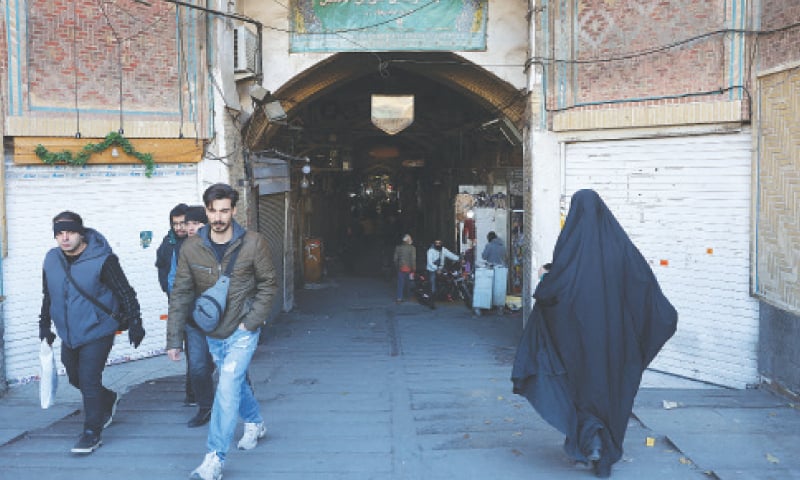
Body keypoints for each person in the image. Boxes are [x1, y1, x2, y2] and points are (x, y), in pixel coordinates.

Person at [511, 189, 678, 478]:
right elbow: (643, 286)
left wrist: (546, 278)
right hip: (614, 341)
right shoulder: (620, 247)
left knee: (579, 388)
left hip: (575, 340)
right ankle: (601, 446)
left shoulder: (570, 249)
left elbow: (552, 292)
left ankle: (586, 444)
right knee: (609, 388)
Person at [167, 183, 277, 480]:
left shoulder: (253, 243)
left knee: (227, 386)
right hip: (211, 330)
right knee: (235, 383)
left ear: (234, 211)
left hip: (242, 329)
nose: (218, 217)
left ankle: (214, 458)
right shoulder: (191, 248)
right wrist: (174, 338)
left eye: (224, 210)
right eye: (213, 211)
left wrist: (251, 321)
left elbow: (268, 284)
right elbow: (180, 293)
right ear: (206, 211)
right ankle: (254, 422)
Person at [38, 211, 145, 454]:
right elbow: (48, 295)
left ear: (81, 233)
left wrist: (136, 322)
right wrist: (45, 326)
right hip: (69, 332)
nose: (65, 238)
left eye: (70, 232)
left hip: (98, 329)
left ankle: (91, 432)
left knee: (88, 378)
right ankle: (107, 399)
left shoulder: (103, 259)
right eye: (59, 233)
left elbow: (125, 292)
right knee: (75, 377)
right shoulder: (51, 259)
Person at [154, 203, 196, 407]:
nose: (179, 227)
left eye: (183, 223)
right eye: (175, 224)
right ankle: (193, 394)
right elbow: (164, 273)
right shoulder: (168, 244)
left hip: (199, 305)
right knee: (193, 352)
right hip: (182, 304)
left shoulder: (195, 241)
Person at [180, 203, 215, 428]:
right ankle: (205, 407)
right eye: (188, 224)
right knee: (198, 367)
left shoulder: (221, 246)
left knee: (232, 367)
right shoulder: (182, 249)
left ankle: (245, 402)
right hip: (193, 319)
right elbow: (175, 285)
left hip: (223, 319)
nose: (191, 228)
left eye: (196, 223)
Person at [393, 233, 416, 303]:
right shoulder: (412, 248)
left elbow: (395, 259)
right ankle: (410, 296)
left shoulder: (398, 247)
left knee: (400, 283)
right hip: (409, 268)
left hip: (401, 268)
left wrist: (398, 267)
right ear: (408, 240)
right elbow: (413, 259)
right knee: (410, 282)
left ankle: (399, 298)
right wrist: (413, 268)